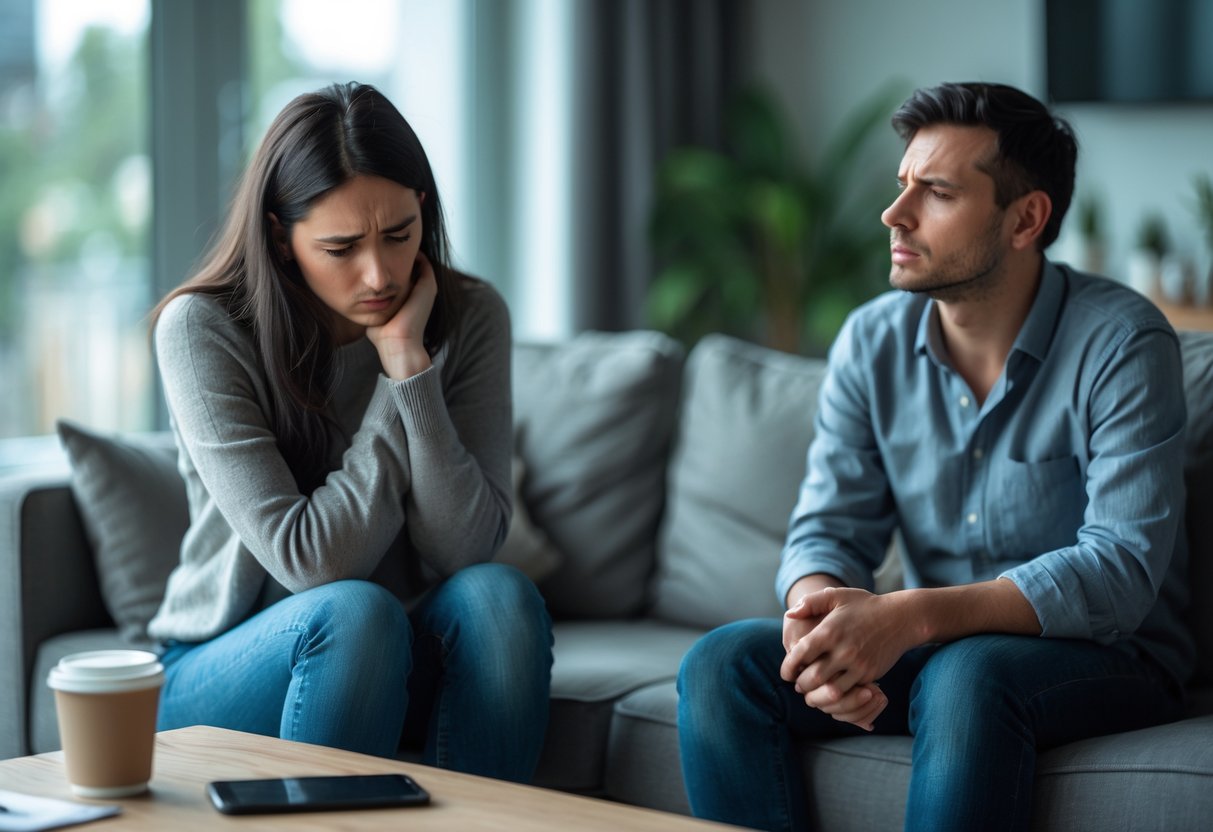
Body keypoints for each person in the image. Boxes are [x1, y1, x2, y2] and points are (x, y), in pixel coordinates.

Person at [677, 82, 1193, 831]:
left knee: (966, 672)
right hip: (935, 652)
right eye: (901, 185)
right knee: (722, 665)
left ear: (1025, 218)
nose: (894, 214)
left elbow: (1119, 569)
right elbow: (828, 526)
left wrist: (909, 619)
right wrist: (812, 626)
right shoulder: (869, 340)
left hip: (1108, 656)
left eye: (937, 192)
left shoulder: (1121, 343)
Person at [146, 81, 553, 782]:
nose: (380, 273)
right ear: (280, 235)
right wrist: (401, 383)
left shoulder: (473, 315)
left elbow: (466, 548)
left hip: (404, 643)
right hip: (229, 661)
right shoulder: (203, 329)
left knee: (502, 598)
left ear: (422, 208)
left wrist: (409, 360)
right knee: (355, 616)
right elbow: (311, 565)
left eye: (399, 234)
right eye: (341, 247)